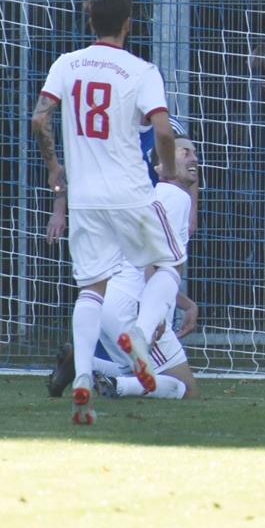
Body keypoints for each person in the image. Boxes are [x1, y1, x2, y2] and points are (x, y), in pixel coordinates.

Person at [32, 0, 186, 424]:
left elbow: (39, 118)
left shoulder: (67, 64)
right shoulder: (141, 70)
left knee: (91, 290)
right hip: (131, 192)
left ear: (89, 22)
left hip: (85, 198)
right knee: (169, 264)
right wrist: (168, 169)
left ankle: (83, 375)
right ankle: (138, 334)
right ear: (128, 24)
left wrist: (54, 166)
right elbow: (163, 130)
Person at [46, 137, 202, 401]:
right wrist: (155, 317)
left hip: (109, 301)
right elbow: (156, 261)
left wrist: (186, 304)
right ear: (160, 167)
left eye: (195, 153)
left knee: (129, 365)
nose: (194, 159)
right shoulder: (175, 198)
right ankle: (117, 386)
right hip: (132, 307)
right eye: (185, 152)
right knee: (183, 389)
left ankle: (82, 363)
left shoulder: (149, 198)